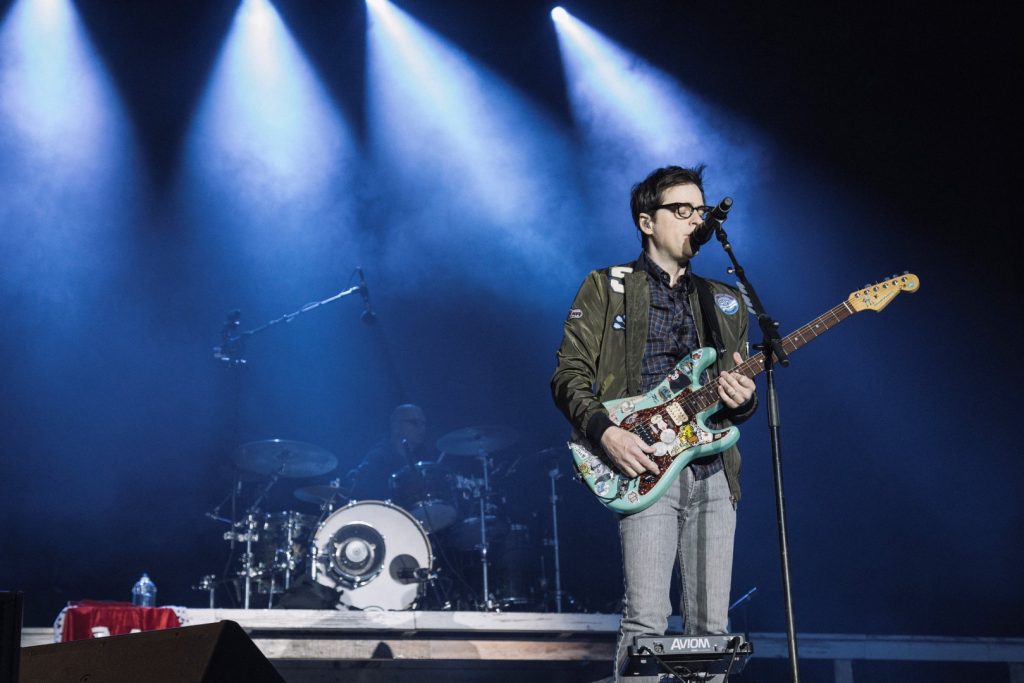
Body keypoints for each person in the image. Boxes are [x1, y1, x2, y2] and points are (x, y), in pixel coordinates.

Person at [550, 165, 758, 681]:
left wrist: (742, 400)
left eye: (700, 210)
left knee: (712, 627)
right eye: (682, 210)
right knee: (646, 620)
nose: (696, 220)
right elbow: (568, 375)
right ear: (647, 222)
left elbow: (731, 396)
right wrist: (607, 433)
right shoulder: (606, 287)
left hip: (713, 470)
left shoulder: (725, 300)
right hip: (644, 461)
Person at [345, 403, 428, 501]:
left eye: (423, 424)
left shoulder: (420, 457)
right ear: (396, 425)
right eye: (415, 423)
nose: (422, 428)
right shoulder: (378, 458)